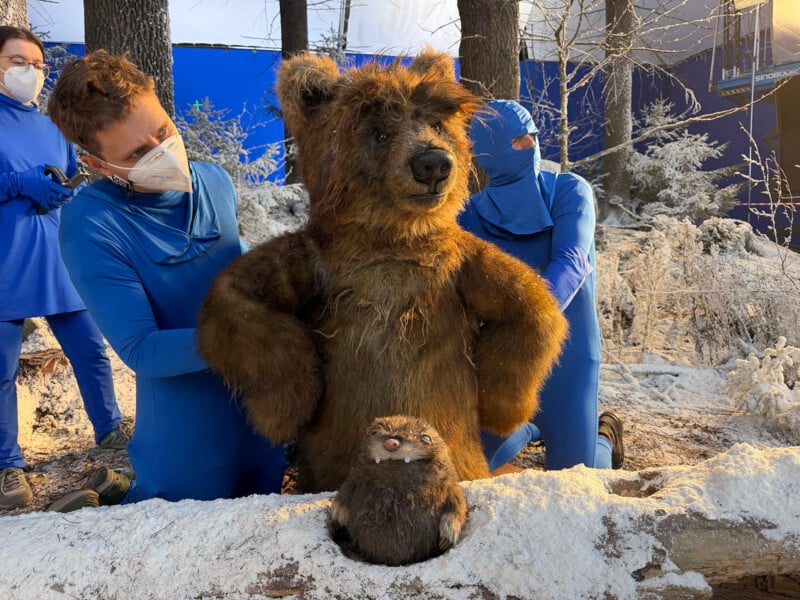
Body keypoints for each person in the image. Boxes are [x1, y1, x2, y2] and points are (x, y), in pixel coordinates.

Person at [44, 50, 286, 511]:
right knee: (178, 528)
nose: (162, 150)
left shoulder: (214, 182)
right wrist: (242, 338)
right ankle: (111, 503)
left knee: (261, 512)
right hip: (186, 433)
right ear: (100, 166)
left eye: (164, 131)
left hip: (259, 409)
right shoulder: (93, 224)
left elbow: (232, 266)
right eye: (138, 152)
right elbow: (140, 348)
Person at [0, 27, 128, 510]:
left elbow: (70, 174)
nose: (29, 72)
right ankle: (7, 471)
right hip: (5, 261)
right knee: (0, 371)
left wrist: (63, 189)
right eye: (17, 61)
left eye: (36, 65)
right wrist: (17, 182)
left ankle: (114, 437)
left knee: (91, 351)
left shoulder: (50, 124)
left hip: (55, 257)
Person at [459, 99, 624, 472]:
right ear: (488, 152)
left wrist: (528, 318)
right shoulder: (469, 214)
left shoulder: (569, 191)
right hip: (505, 362)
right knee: (467, 469)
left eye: (533, 136)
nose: (531, 146)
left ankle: (605, 436)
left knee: (578, 480)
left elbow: (572, 260)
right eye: (518, 141)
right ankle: (529, 426)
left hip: (569, 354)